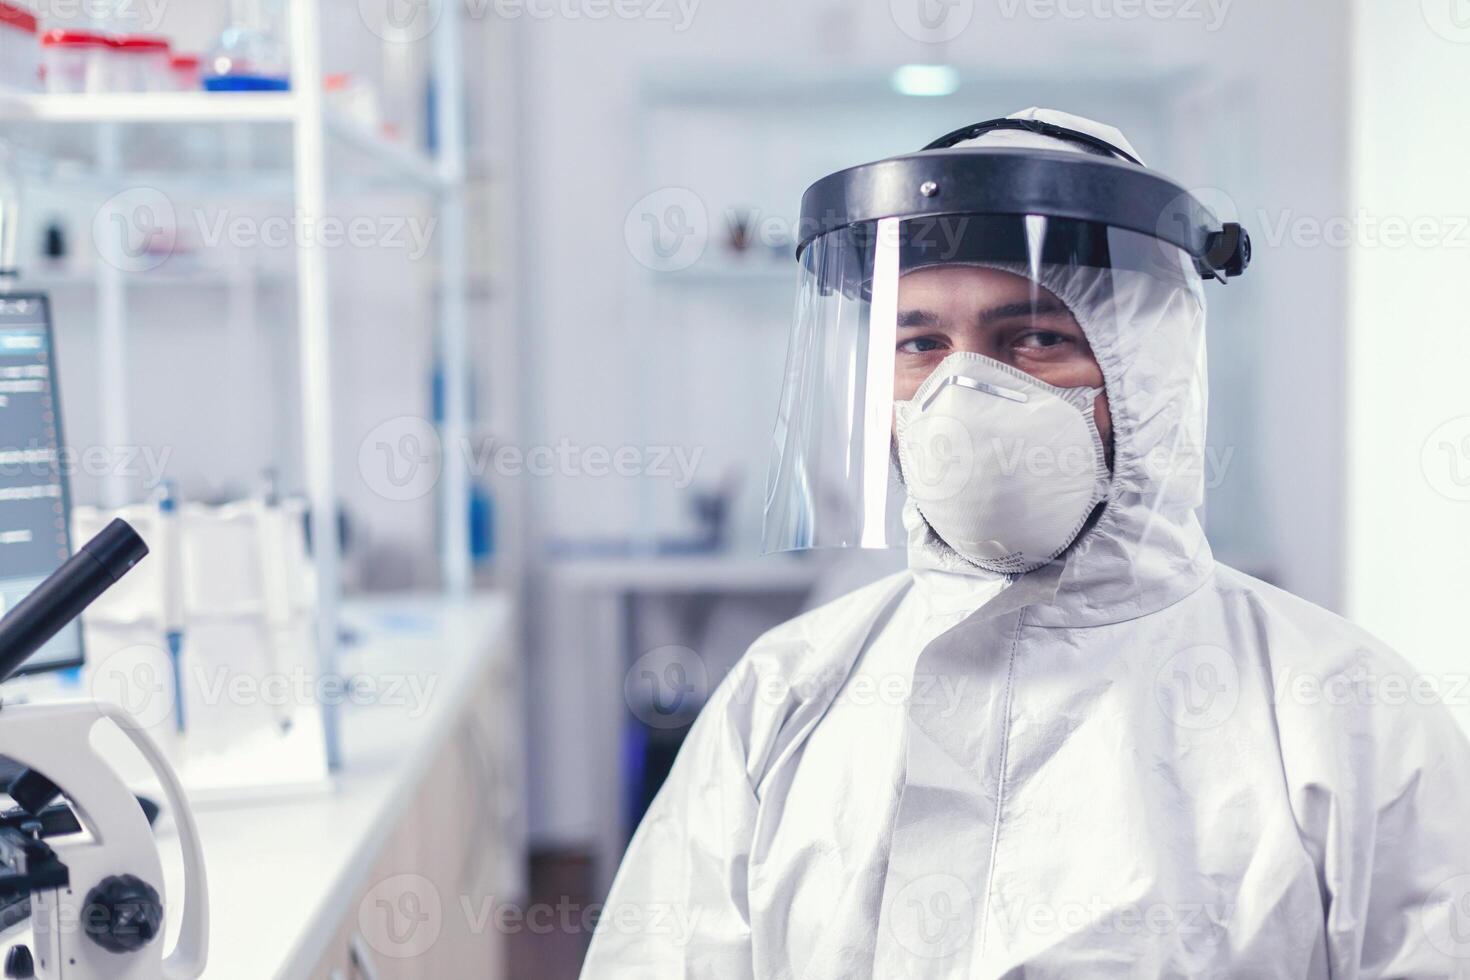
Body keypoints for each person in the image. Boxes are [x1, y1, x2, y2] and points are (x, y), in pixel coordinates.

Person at [581, 108, 1470, 978]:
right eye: (921, 343)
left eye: (1035, 337)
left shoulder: (1347, 718)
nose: (963, 393)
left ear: (1147, 369)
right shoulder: (780, 696)